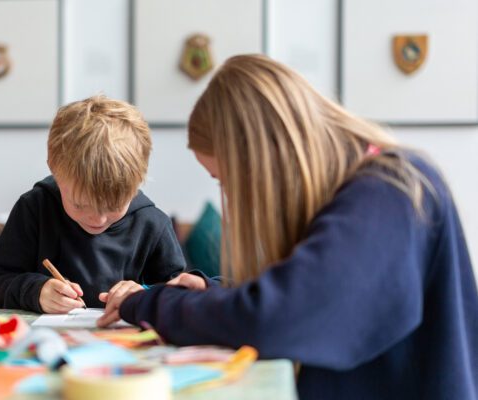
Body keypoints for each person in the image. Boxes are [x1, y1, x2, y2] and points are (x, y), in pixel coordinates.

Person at [98, 55, 478, 399]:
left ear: (261, 163)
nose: (229, 195)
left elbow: (274, 317)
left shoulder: (389, 190)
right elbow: (304, 293)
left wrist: (149, 302)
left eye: (224, 180)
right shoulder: (364, 191)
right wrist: (212, 291)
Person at [0, 95, 186, 313]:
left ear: (135, 186)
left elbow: (181, 296)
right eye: (80, 205)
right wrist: (37, 292)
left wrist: (145, 294)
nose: (97, 219)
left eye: (114, 206)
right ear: (54, 169)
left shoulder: (153, 225)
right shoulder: (34, 209)